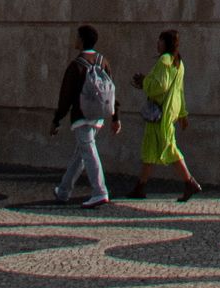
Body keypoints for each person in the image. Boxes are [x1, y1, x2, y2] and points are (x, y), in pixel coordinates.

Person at [50, 25, 121, 206]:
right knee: (81, 153)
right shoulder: (102, 61)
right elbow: (111, 89)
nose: (75, 40)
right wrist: (115, 116)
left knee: (88, 151)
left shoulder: (76, 65)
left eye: (76, 37)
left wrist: (57, 119)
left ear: (81, 40)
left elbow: (65, 96)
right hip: (99, 114)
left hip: (81, 115)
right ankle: (64, 190)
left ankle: (100, 191)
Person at [132, 30, 200, 201]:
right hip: (171, 110)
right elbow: (180, 90)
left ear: (165, 43)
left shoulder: (165, 60)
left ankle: (189, 182)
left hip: (161, 112)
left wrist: (144, 81)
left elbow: (160, 85)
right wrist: (183, 113)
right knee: (150, 147)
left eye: (160, 41)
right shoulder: (179, 63)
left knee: (169, 146)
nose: (157, 44)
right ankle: (140, 186)